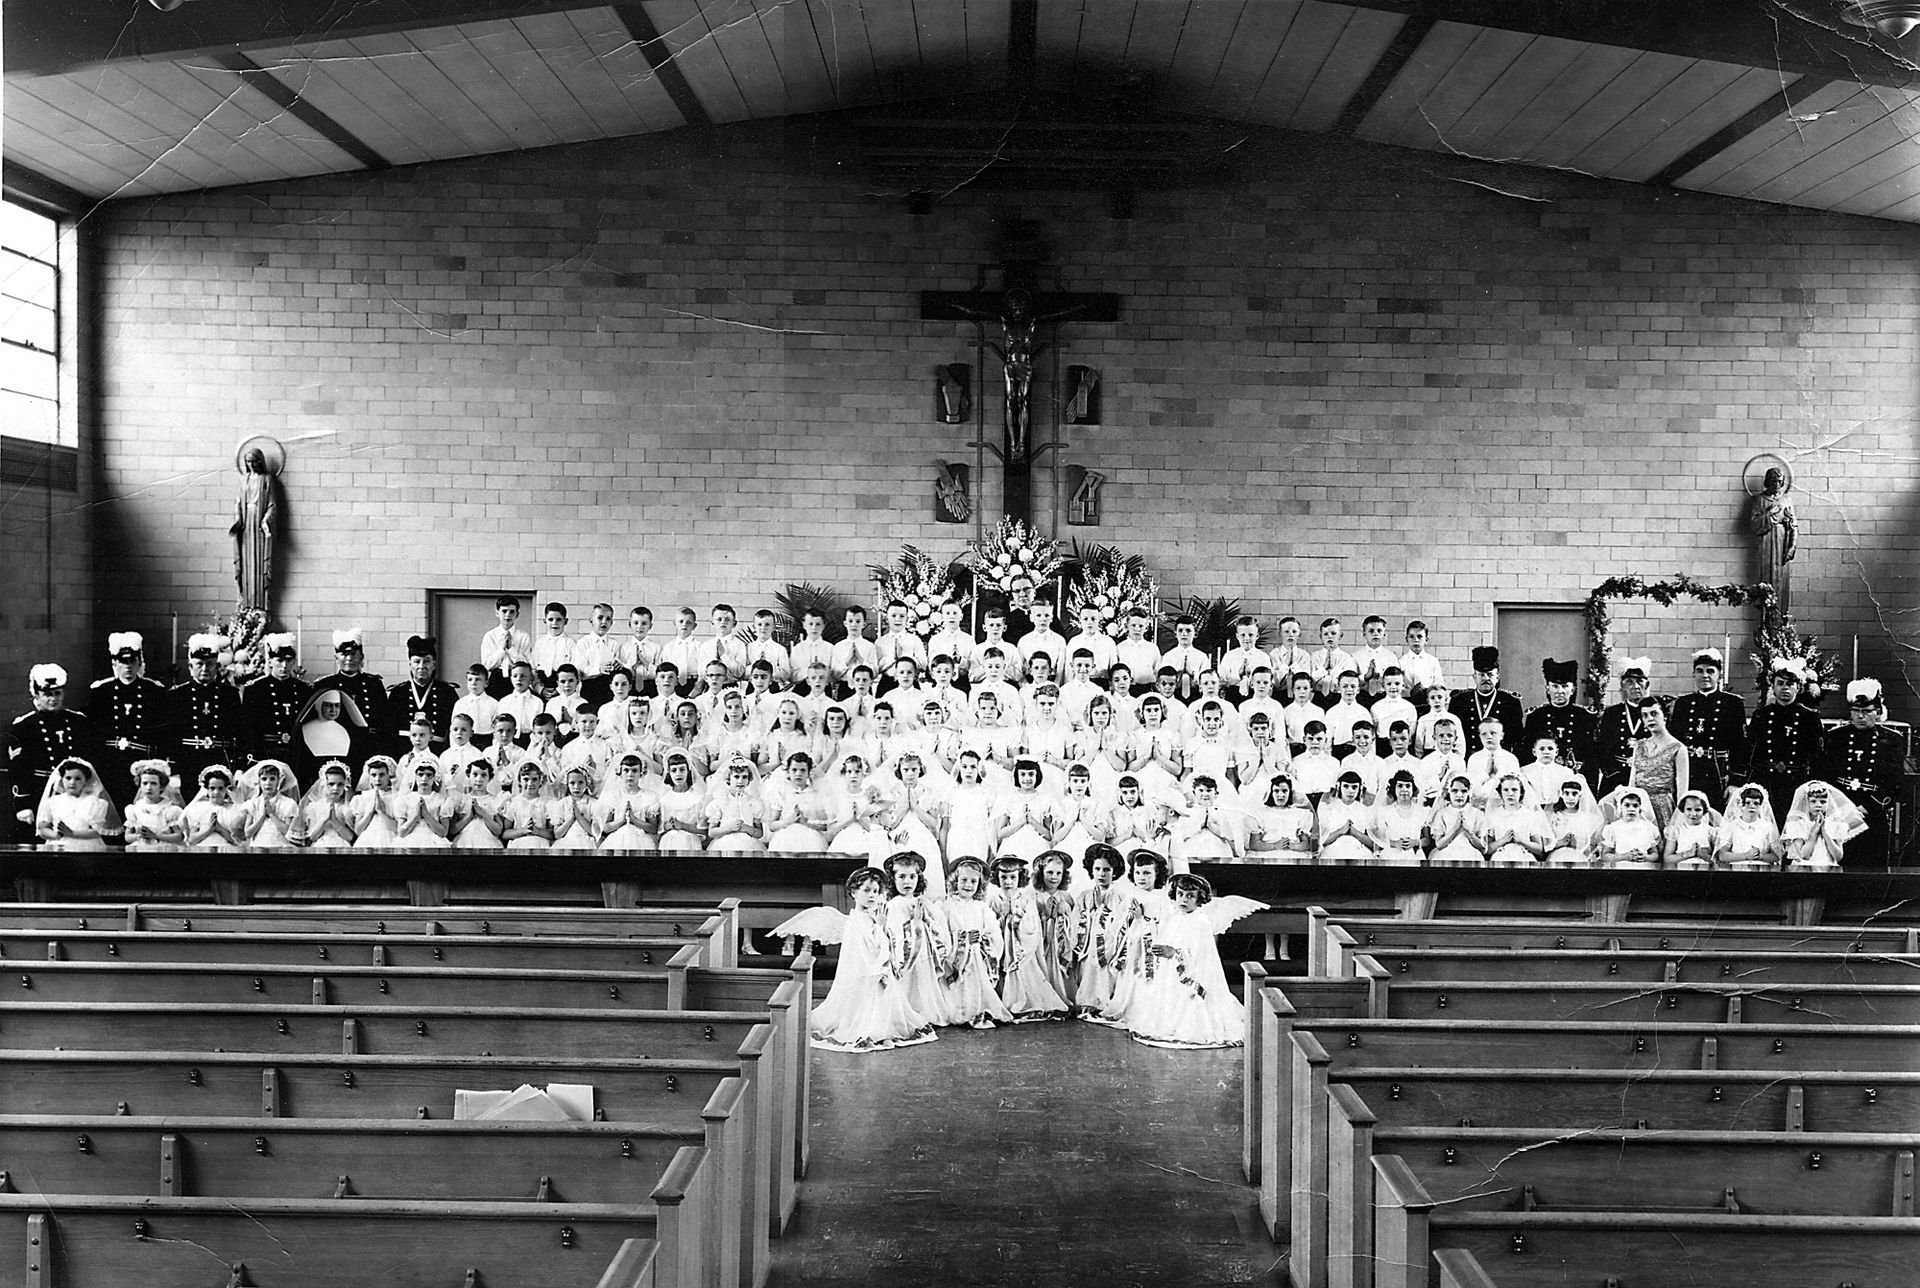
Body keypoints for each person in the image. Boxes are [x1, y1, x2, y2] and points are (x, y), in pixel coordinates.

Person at [774, 867, 939, 1053]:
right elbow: (867, 952)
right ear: (854, 893)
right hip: (864, 975)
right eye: (866, 891)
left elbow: (885, 945)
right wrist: (880, 927)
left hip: (877, 972)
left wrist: (881, 927)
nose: (872, 896)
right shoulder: (856, 921)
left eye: (876, 891)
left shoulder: (872, 916)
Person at [1121, 873, 1266, 1050]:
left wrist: (1174, 952)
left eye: (1190, 896)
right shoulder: (1176, 917)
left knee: (1192, 1008)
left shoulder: (1200, 920)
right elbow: (1167, 937)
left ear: (1199, 899)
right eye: (1180, 894)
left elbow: (1200, 953)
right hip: (1173, 971)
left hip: (1194, 973)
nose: (1184, 899)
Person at [1821, 679, 1905, 868]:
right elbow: (1825, 775)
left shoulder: (1891, 740)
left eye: (1867, 711)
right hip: (1840, 808)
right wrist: (1840, 808)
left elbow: (1895, 783)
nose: (1861, 716)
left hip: (1872, 809)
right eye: (1856, 711)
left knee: (1872, 864)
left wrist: (1866, 808)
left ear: (1878, 712)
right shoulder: (1836, 737)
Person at [9, 663, 90, 844]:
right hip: (39, 794)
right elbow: (18, 770)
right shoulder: (23, 726)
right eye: (47, 694)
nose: (53, 699)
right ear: (36, 695)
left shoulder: (78, 722)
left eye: (57, 693)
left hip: (73, 793)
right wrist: (23, 805)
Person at [1744, 659, 1824, 825]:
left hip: (1796, 781)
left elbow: (1816, 754)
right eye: (1780, 683)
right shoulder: (1762, 715)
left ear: (1799, 687)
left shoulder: (1809, 717)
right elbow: (1750, 749)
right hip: (1766, 780)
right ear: (1773, 687)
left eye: (1790, 684)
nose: (1785, 688)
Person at [89, 632, 169, 798]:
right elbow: (94, 734)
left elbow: (162, 734)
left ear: (139, 662)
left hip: (142, 763)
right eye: (123, 662)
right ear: (114, 663)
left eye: (132, 661)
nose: (128, 667)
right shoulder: (101, 692)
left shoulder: (154, 691)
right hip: (111, 763)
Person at [937, 858, 1014, 1029]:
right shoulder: (947, 907)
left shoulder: (981, 908)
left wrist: (981, 938)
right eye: (963, 880)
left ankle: (977, 1008)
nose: (968, 885)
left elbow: (994, 934)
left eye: (973, 881)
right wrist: (961, 941)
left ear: (979, 884)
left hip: (977, 957)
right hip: (957, 959)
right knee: (956, 994)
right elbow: (942, 936)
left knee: (977, 987)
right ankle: (960, 1008)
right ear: (955, 881)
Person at [1668, 648, 1745, 805]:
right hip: (1689, 770)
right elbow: (1674, 741)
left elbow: (1741, 745)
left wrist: (1735, 781)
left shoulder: (1732, 703)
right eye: (1699, 671)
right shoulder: (1683, 703)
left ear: (1719, 675)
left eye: (1710, 671)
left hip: (1717, 771)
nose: (1705, 675)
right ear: (1694, 674)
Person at [169, 632, 243, 791]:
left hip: (220, 762)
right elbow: (170, 736)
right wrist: (174, 770)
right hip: (189, 762)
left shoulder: (229, 694)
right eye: (199, 664)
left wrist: (238, 767)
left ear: (217, 666)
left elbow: (240, 733)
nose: (204, 669)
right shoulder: (177, 695)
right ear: (190, 667)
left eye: (209, 664)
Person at [1520, 658, 1596, 780]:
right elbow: (1526, 753)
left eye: (1565, 686)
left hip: (1575, 777)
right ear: (1547, 688)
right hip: (1543, 777)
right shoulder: (1536, 716)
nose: (1559, 691)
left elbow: (1592, 756)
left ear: (1573, 689)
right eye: (1555, 686)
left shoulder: (1585, 716)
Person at [242, 634, 309, 768]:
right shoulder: (255, 689)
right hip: (266, 752)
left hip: (295, 753)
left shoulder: (304, 689)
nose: (284, 665)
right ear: (270, 661)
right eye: (279, 660)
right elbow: (247, 729)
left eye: (289, 660)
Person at [312, 630, 389, 746]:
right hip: (336, 744)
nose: (349, 659)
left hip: (369, 744)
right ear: (336, 657)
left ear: (361, 657)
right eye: (344, 654)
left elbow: (385, 720)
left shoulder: (374, 684)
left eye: (353, 654)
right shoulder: (324, 685)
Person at [1591, 657, 1654, 798]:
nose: (1635, 686)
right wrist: (1612, 774)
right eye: (1629, 682)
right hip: (1615, 778)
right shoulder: (1612, 713)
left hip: (1645, 778)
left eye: (1640, 681)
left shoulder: (1654, 712)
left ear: (1647, 685)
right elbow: (1602, 749)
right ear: (1622, 686)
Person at [387, 635, 459, 755]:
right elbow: (389, 731)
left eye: (426, 661)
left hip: (437, 752)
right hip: (403, 753)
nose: (421, 666)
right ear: (410, 664)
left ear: (434, 664)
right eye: (416, 662)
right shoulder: (398, 693)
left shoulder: (446, 692)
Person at [1448, 646, 1523, 757]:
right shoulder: (1459, 701)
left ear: (1497, 677)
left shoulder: (1510, 702)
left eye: (1490, 674)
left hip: (1500, 759)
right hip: (1469, 759)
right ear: (1474, 677)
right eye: (1481, 675)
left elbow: (1517, 739)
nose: (1485, 679)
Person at [1628, 696, 1689, 828]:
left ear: (1665, 716)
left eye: (1654, 714)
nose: (1650, 718)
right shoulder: (1639, 745)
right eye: (1645, 715)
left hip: (1662, 808)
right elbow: (1632, 783)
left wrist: (1678, 821)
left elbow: (1682, 791)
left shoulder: (1679, 748)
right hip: (1638, 807)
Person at [230, 445, 278, 610]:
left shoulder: (267, 480)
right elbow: (237, 502)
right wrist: (238, 519)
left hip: (259, 526)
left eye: (254, 461)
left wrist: (265, 520)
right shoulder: (244, 480)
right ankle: (246, 603)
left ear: (260, 461)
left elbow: (272, 504)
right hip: (245, 525)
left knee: (258, 563)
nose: (251, 465)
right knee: (246, 564)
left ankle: (261, 603)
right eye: (248, 462)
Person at [36, 756, 119, 850]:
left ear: (85, 781)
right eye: (68, 778)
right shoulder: (53, 802)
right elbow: (42, 828)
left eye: (78, 778)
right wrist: (56, 835)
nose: (72, 782)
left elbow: (98, 831)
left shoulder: (95, 802)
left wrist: (72, 833)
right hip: (59, 845)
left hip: (87, 845)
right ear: (62, 779)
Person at [1782, 780, 1866, 870]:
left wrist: (1825, 833)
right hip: (1804, 870)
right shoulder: (1798, 825)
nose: (1818, 805)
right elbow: (1804, 855)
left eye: (1823, 802)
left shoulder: (1836, 824)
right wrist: (1814, 832)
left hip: (1829, 869)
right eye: (1813, 801)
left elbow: (1838, 857)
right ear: (1806, 803)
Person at [1750, 465, 1796, 618]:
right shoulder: (1759, 500)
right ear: (1767, 482)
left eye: (1780, 482)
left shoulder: (1786, 500)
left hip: (1783, 541)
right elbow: (1755, 524)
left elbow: (1793, 524)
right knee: (1767, 577)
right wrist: (1770, 514)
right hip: (1767, 542)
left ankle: (1781, 623)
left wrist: (1792, 546)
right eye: (1774, 481)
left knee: (1782, 580)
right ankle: (1766, 621)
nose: (1777, 485)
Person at [1246, 774, 1315, 862]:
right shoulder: (1261, 813)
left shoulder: (1300, 813)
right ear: (1270, 792)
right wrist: (1274, 845)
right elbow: (1254, 844)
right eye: (1276, 791)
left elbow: (1305, 843)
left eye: (1285, 791)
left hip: (1292, 855)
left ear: (1290, 792)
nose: (1281, 795)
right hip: (1267, 855)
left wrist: (1293, 845)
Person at [292, 761, 359, 849]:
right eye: (331, 784)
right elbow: (312, 837)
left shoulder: (348, 806)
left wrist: (335, 821)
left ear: (345, 785)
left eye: (340, 784)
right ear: (324, 784)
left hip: (343, 847)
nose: (335, 788)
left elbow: (350, 838)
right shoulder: (313, 807)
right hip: (319, 846)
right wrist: (325, 820)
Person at [122, 759, 184, 851]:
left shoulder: (170, 810)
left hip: (163, 849)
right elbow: (127, 837)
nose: (149, 787)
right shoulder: (134, 809)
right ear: (140, 785)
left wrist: (155, 835)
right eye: (145, 783)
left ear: (161, 786)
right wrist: (139, 835)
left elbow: (179, 836)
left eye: (153, 783)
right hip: (141, 848)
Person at [237, 758, 301, 848]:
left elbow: (288, 831)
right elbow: (248, 833)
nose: (268, 783)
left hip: (280, 848)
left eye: (272, 779)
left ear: (279, 781)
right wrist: (262, 816)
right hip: (257, 847)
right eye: (264, 779)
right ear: (258, 781)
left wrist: (271, 814)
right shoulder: (253, 804)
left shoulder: (288, 803)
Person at [1715, 784, 1782, 868]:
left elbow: (1776, 856)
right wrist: (1746, 855)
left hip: (1761, 870)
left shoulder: (1768, 827)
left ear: (1761, 806)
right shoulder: (1732, 826)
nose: (1752, 806)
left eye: (1756, 803)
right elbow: (1722, 855)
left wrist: (1761, 857)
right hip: (1737, 869)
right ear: (1741, 805)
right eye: (1747, 803)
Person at [1480, 774, 1542, 865]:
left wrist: (1521, 841)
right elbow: (1487, 849)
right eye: (1505, 790)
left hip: (1524, 857)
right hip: (1500, 857)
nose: (1510, 793)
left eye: (1514, 789)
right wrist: (1503, 840)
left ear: (1521, 792)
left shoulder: (1529, 815)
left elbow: (1539, 849)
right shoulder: (1494, 815)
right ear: (1500, 792)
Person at [480, 596, 533, 699]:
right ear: (497, 613)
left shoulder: (523, 636)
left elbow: (527, 664)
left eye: (512, 612)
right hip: (496, 680)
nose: (508, 615)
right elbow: (487, 665)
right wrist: (502, 649)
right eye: (504, 611)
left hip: (517, 678)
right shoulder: (490, 636)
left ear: (517, 614)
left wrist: (511, 649)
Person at [1541, 778, 1603, 866]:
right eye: (1566, 793)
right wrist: (1559, 842)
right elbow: (1544, 844)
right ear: (1561, 795)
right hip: (1556, 857)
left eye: (1574, 794)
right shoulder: (1553, 816)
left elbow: (1593, 845)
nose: (1570, 798)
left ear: (1580, 795)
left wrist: (1578, 844)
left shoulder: (1588, 818)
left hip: (1580, 858)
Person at [183, 764, 245, 849]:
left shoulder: (234, 809)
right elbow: (191, 840)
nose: (216, 792)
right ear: (207, 790)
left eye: (220, 788)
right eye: (212, 788)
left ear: (226, 789)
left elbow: (238, 841)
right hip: (202, 849)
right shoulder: (197, 809)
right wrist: (209, 829)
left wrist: (220, 829)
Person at [1426, 774, 1485, 865]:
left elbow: (1483, 847)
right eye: (1455, 791)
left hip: (1470, 853)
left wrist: (1468, 831)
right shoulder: (1442, 813)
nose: (1459, 795)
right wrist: (1455, 829)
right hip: (1446, 852)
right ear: (1449, 791)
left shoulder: (1477, 813)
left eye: (1464, 791)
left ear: (1469, 792)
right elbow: (1439, 845)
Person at [1598, 787, 1662, 867]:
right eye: (1627, 805)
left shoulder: (1648, 827)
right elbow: (1605, 855)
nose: (1631, 809)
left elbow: (1654, 853)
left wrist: (1646, 857)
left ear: (1639, 808)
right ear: (1620, 807)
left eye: (1635, 806)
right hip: (1621, 868)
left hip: (1644, 868)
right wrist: (1624, 856)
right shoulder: (1613, 828)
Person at [1663, 789, 1720, 869]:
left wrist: (1704, 855)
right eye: (1689, 809)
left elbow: (1718, 860)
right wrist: (1687, 854)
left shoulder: (1710, 831)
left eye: (1698, 810)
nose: (1693, 814)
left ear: (1704, 811)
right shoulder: (1675, 831)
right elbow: (1667, 858)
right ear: (1683, 809)